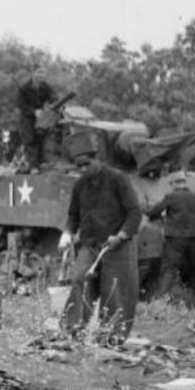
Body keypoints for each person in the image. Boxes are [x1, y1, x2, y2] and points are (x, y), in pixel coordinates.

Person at [58, 131, 142, 343]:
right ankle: (72, 330)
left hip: (118, 245)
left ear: (97, 159)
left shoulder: (118, 179)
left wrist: (121, 235)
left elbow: (134, 213)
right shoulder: (80, 185)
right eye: (80, 167)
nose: (84, 170)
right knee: (79, 279)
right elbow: (72, 215)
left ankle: (112, 336)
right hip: (90, 244)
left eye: (87, 164)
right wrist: (67, 234)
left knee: (113, 290)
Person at [146, 172, 195, 310]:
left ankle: (160, 303)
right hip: (194, 239)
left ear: (174, 184)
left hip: (175, 239)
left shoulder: (171, 197)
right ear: (185, 183)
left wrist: (148, 211)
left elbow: (154, 212)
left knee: (169, 269)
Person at [17, 62, 56, 171]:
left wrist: (55, 104)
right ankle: (33, 166)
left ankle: (41, 163)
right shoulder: (24, 88)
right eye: (39, 72)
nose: (41, 75)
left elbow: (53, 97)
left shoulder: (46, 87)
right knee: (30, 140)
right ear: (33, 73)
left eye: (43, 73)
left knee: (41, 138)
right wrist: (34, 111)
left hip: (41, 118)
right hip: (27, 117)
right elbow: (21, 104)